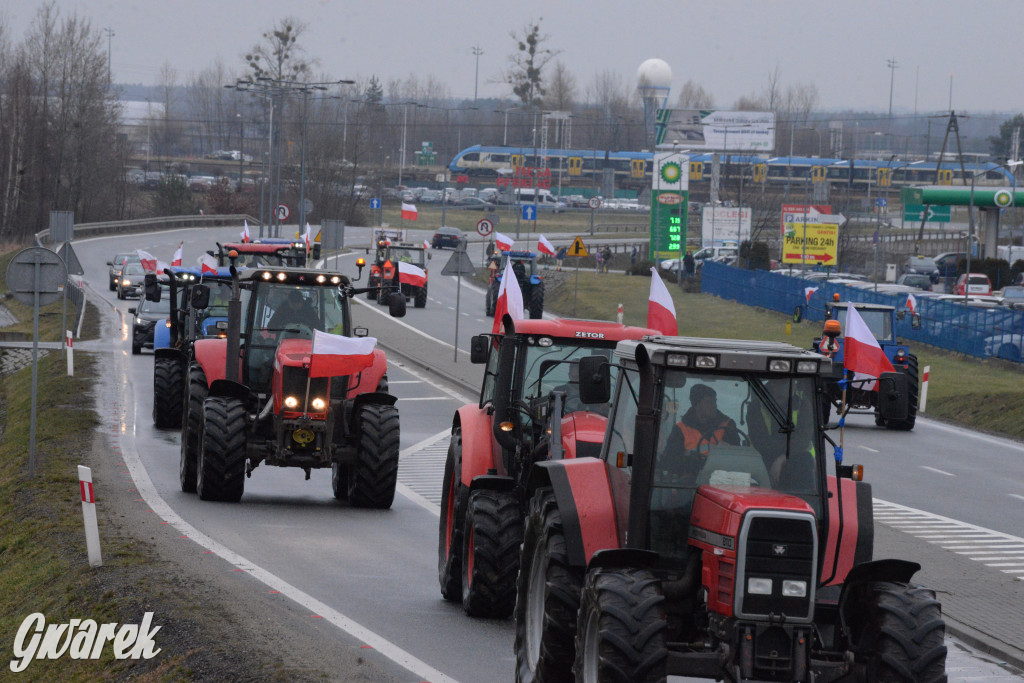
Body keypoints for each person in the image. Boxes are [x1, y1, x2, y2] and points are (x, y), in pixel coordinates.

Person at [665, 384, 740, 456]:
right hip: (691, 469)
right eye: (709, 402)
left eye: (715, 401)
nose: (715, 405)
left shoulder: (728, 425)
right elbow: (671, 462)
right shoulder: (680, 430)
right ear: (697, 405)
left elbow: (737, 458)